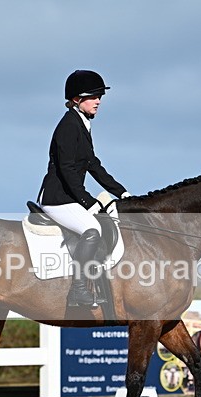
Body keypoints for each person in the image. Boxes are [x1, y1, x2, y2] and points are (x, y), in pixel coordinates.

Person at [38, 70, 131, 307]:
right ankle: (78, 290)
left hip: (70, 197)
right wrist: (88, 201)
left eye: (100, 96)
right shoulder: (68, 126)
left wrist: (122, 193)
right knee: (92, 228)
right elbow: (68, 170)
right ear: (77, 99)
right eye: (93, 96)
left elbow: (93, 165)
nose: (98, 101)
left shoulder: (82, 124)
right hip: (57, 199)